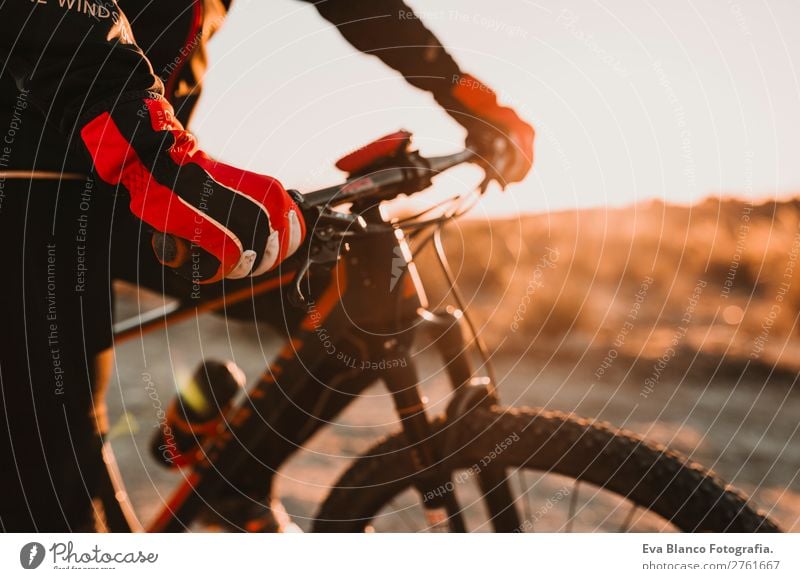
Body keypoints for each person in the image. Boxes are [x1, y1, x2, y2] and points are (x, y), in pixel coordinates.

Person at [0, 0, 534, 532]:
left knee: (354, 295)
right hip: (32, 183)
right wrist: (153, 148)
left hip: (141, 183)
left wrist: (459, 89)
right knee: (56, 500)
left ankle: (234, 482)